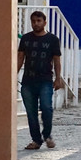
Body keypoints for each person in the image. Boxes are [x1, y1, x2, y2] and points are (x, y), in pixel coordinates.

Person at [18, 10, 63, 149]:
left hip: (45, 80)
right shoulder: (25, 39)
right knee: (31, 113)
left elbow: (56, 60)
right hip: (28, 81)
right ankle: (36, 140)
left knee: (46, 108)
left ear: (45, 22)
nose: (36, 24)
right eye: (33, 21)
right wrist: (13, 74)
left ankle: (47, 135)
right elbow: (20, 58)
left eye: (39, 21)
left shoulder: (53, 40)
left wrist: (58, 78)